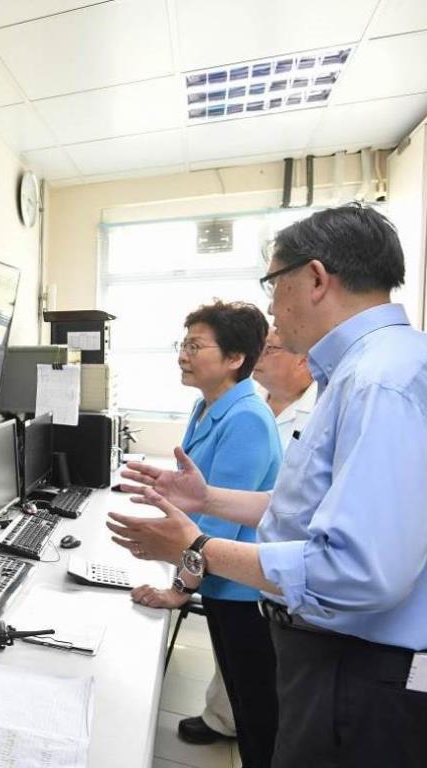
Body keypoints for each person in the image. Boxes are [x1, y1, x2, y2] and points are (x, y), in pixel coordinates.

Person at [109, 204, 427, 767]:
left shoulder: (379, 382)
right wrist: (204, 499)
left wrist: (195, 549)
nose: (273, 306)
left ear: (315, 278)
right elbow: (306, 509)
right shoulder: (370, 369)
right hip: (335, 655)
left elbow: (356, 571)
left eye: (273, 283)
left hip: (358, 669)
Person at [130, 301, 282, 767]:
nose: (183, 355)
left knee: (256, 708)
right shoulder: (208, 406)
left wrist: (177, 591)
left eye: (196, 346)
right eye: (184, 344)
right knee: (240, 693)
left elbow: (217, 526)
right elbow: (200, 490)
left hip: (241, 592)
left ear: (235, 358)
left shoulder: (248, 420)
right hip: (217, 581)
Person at [252, 329, 316, 447]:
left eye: (269, 349)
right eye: (258, 347)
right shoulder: (245, 399)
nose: (257, 356)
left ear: (303, 361)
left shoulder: (321, 410)